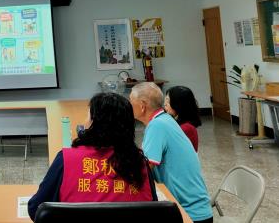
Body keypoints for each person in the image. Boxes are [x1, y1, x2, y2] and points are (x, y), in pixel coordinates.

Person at [28, 93, 156, 221]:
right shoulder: (139, 163)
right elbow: (153, 208)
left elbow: (36, 209)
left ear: (95, 124)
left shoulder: (66, 160)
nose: (84, 122)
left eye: (88, 116)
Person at [130, 82, 212, 223]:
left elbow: (143, 170)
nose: (128, 105)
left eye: (131, 101)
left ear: (142, 105)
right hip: (192, 209)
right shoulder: (164, 119)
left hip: (189, 214)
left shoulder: (157, 125)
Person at [164, 86, 202, 152]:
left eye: (168, 101)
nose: (165, 104)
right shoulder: (177, 123)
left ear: (178, 104)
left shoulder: (186, 128)